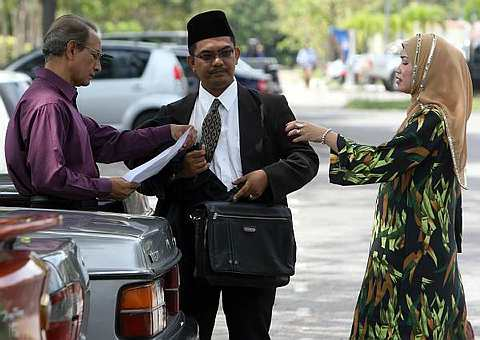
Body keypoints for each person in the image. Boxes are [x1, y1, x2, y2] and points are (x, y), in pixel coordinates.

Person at [127, 10, 319, 340]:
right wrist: (179, 170)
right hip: (189, 245)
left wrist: (267, 178)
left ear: (237, 55)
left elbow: (305, 159)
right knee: (187, 331)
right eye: (207, 55)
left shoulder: (269, 108)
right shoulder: (172, 116)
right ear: (192, 62)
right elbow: (141, 173)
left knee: (251, 332)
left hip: (252, 238)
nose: (217, 62)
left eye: (225, 53)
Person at [286, 33, 475, 339]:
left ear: (429, 71)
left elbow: (383, 161)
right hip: (411, 250)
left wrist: (327, 136)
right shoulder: (427, 114)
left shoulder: (431, 119)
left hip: (415, 259)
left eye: (405, 61)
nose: (397, 68)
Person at [5, 14, 195, 211]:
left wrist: (168, 132)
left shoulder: (58, 101)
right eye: (95, 56)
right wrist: (106, 187)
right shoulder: (48, 104)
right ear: (71, 49)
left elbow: (110, 143)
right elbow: (49, 177)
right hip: (59, 222)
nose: (98, 66)